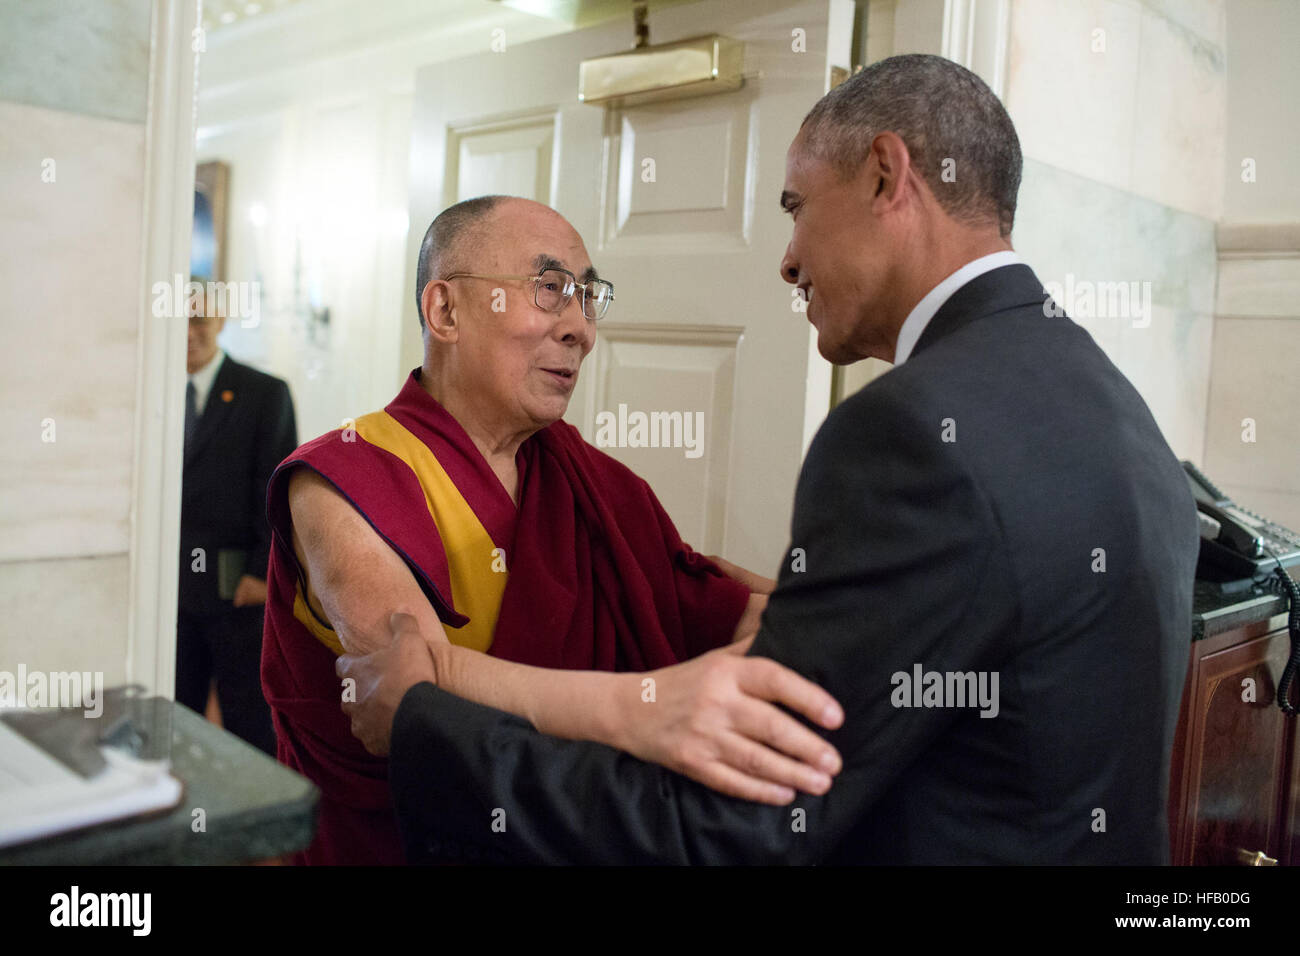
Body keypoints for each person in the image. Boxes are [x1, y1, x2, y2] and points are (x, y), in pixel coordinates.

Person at [338, 54, 1201, 865]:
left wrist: (429, 722)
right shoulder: (1116, 405)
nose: (788, 261)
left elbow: (741, 824)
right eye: (548, 290)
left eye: (795, 207)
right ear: (443, 310)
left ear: (884, 175)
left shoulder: (906, 432)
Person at [261, 196, 845, 865]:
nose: (582, 329)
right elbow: (413, 698)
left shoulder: (597, 487)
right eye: (549, 289)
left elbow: (717, 608)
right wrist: (653, 708)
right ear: (445, 310)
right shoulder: (340, 478)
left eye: (588, 296)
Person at [177, 281, 297, 756]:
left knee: (248, 719)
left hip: (237, 591)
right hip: (170, 593)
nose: (188, 333)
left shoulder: (263, 393)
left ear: (221, 322)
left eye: (199, 321)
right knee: (177, 717)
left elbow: (279, 491)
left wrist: (261, 571)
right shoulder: (152, 395)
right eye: (179, 321)